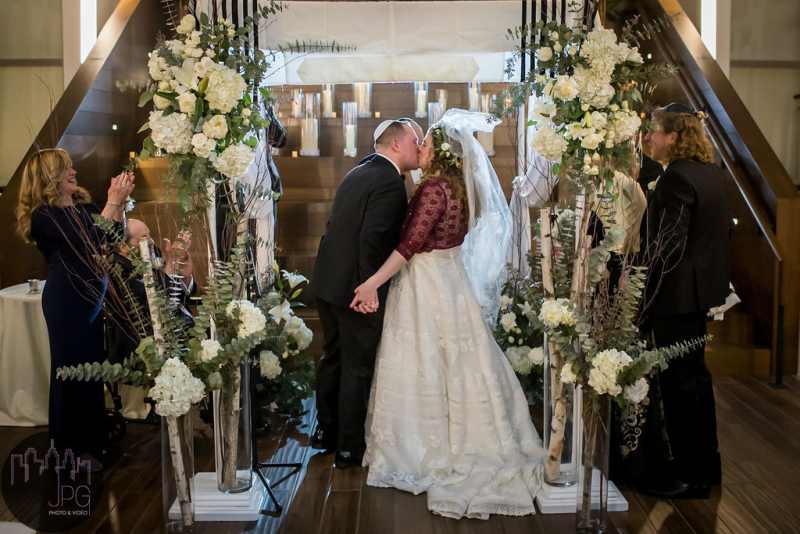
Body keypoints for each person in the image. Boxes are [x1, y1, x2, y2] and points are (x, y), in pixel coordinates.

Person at [351, 109, 544, 519]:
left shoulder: (433, 190)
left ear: (442, 152)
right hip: (451, 281)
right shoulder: (459, 187)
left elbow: (409, 247)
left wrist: (371, 283)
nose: (420, 147)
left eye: (427, 143)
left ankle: (425, 446)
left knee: (425, 361)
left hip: (427, 287)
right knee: (459, 362)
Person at [311, 118, 422, 467]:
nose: (419, 148)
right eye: (415, 141)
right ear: (396, 145)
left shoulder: (360, 170)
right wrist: (369, 289)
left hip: (329, 282)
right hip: (356, 289)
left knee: (334, 359)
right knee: (356, 368)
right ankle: (348, 449)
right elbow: (371, 241)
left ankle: (326, 434)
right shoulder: (389, 182)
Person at [15, 148, 134, 471]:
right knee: (70, 374)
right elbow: (87, 243)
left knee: (91, 371)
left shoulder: (82, 206)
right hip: (66, 301)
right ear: (49, 177)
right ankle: (69, 451)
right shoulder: (43, 217)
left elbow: (110, 236)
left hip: (92, 297)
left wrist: (119, 204)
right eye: (65, 168)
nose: (74, 171)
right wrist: (112, 201)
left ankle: (94, 442)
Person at [637, 103, 730, 498]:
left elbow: (667, 249)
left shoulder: (675, 178)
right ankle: (708, 465)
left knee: (678, 385)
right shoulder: (712, 174)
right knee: (696, 380)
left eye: (655, 131)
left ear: (674, 136)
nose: (649, 138)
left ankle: (689, 475)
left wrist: (642, 292)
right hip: (701, 293)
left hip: (675, 296)